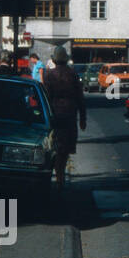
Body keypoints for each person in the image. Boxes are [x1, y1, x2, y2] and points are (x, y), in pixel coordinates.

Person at [42, 46, 87, 193]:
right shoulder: (72, 74)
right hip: (70, 114)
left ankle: (57, 174)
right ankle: (61, 177)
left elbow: (46, 97)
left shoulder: (49, 75)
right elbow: (80, 97)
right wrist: (83, 118)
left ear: (54, 60)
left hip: (54, 114)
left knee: (55, 146)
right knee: (65, 148)